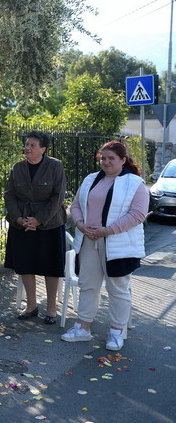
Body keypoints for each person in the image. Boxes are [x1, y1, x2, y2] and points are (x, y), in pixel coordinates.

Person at [61, 141, 148, 351]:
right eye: (103, 158)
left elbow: (137, 215)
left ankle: (117, 332)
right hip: (90, 240)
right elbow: (75, 205)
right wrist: (81, 225)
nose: (106, 162)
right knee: (88, 285)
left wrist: (107, 231)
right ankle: (83, 328)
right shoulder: (91, 179)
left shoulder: (135, 183)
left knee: (117, 289)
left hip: (118, 244)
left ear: (123, 160)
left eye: (111, 158)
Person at [4, 131, 67, 324]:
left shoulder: (55, 166)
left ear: (43, 149)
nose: (27, 148)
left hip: (49, 224)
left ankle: (51, 309)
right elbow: (10, 194)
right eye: (26, 144)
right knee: (25, 265)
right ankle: (31, 305)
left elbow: (58, 197)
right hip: (21, 223)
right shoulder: (18, 167)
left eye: (32, 145)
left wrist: (39, 220)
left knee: (51, 267)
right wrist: (19, 219)